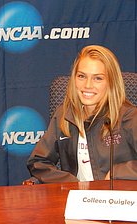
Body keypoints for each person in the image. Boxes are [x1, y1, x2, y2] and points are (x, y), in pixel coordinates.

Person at [27, 45, 137, 183]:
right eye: (82, 76)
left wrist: (117, 172)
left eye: (98, 78)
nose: (88, 85)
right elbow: (38, 161)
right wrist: (70, 183)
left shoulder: (130, 117)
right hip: (78, 199)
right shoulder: (64, 115)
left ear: (111, 83)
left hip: (119, 200)